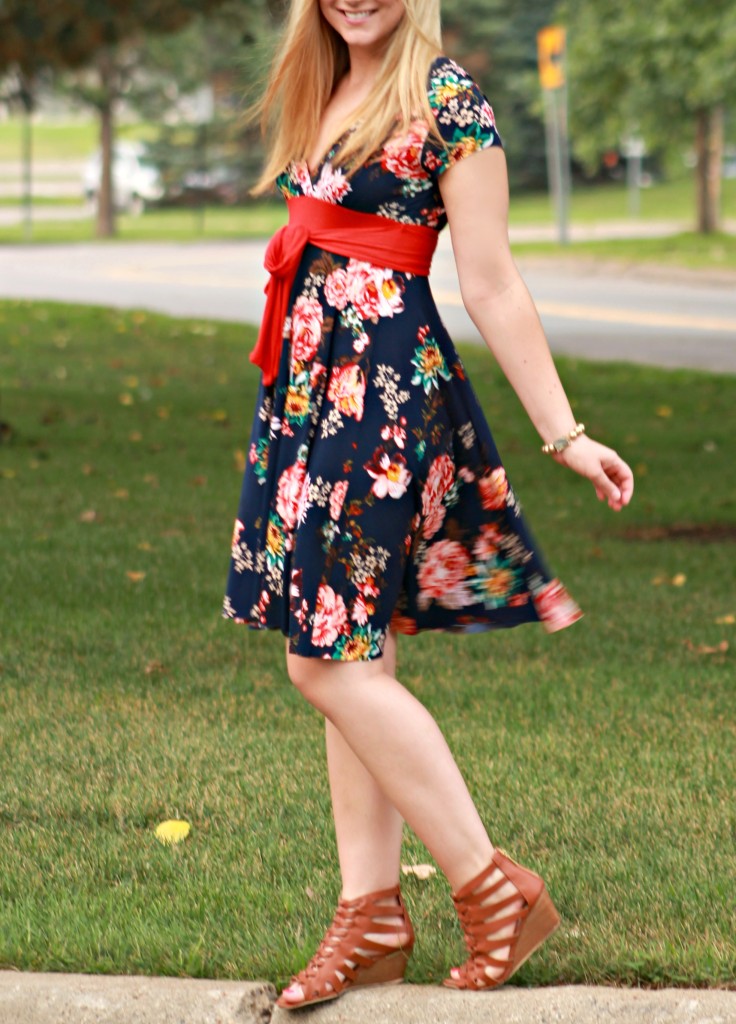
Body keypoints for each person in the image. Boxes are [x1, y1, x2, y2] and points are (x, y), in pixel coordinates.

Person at [223, 0, 634, 1009]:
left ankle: (493, 888)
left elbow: (490, 280)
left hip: (385, 400)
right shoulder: (321, 86)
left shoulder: (448, 99)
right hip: (311, 394)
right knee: (349, 646)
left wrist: (565, 434)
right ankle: (368, 915)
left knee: (320, 656)